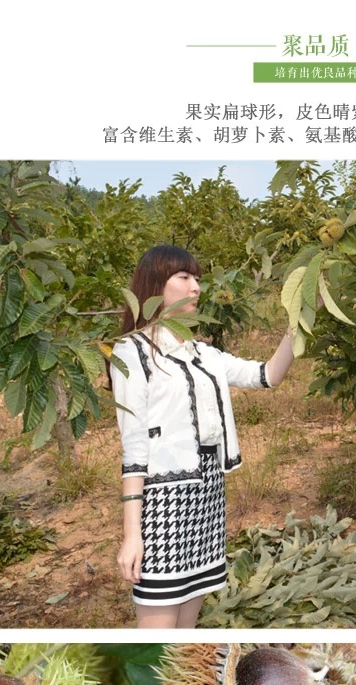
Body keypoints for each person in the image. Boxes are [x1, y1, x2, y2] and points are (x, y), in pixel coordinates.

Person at [109, 244, 295, 628]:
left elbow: (266, 375)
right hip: (164, 499)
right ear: (156, 285)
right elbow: (134, 447)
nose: (196, 287)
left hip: (208, 496)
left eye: (198, 278)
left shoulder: (204, 354)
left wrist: (299, 323)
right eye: (185, 277)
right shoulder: (133, 352)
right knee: (157, 631)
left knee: (187, 624)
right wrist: (133, 535)